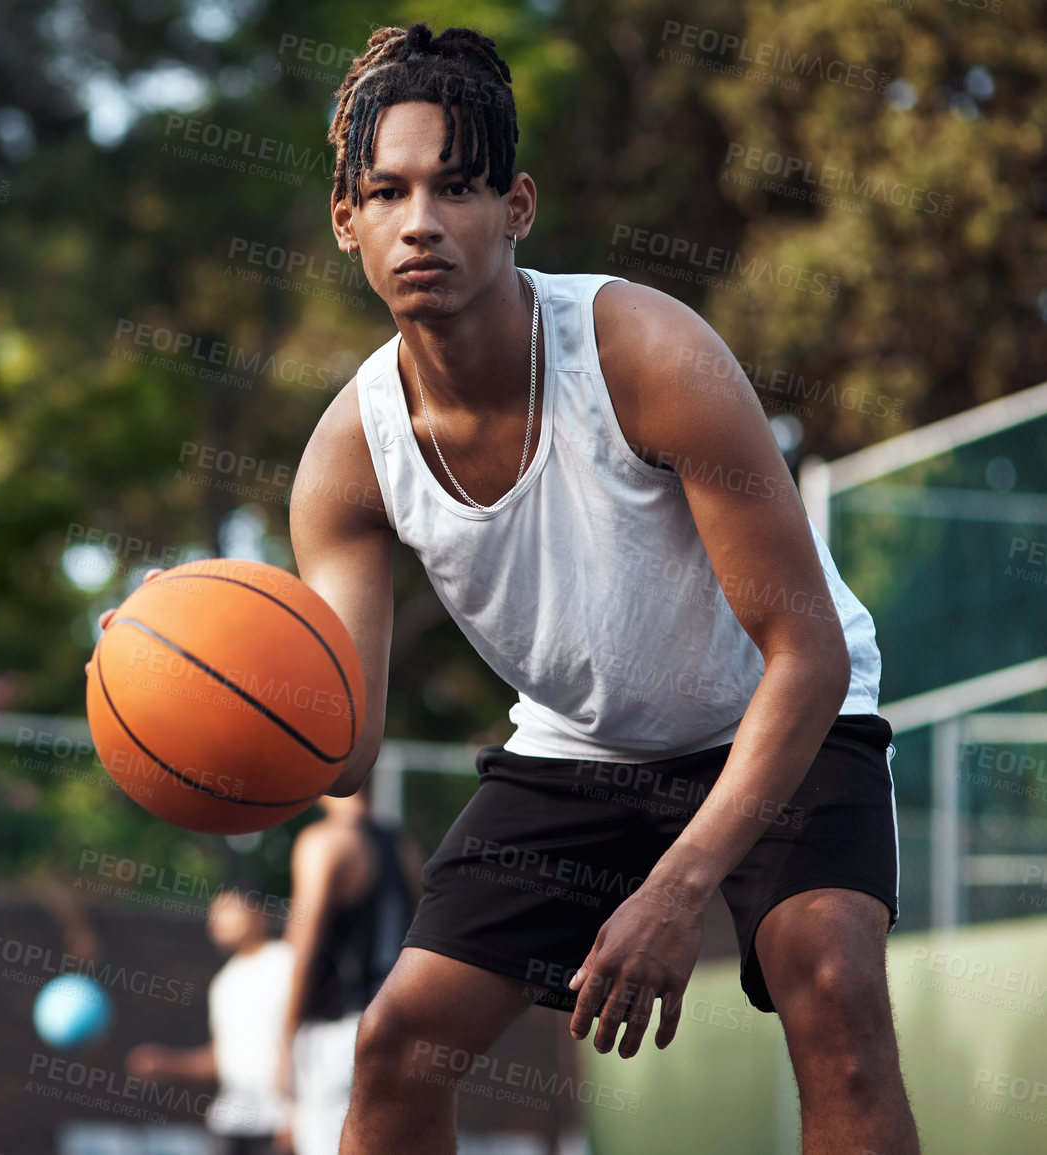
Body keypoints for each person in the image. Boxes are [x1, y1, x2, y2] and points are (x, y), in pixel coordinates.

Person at [273, 20, 917, 1155]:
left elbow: (804, 655)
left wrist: (673, 892)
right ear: (348, 222)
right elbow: (348, 753)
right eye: (388, 192)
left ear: (516, 208)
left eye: (458, 187)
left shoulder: (645, 356)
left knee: (837, 1001)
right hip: (583, 744)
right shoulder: (348, 458)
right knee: (394, 1050)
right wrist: (214, 677)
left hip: (778, 709)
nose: (422, 221)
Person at [279, 791, 418, 1155]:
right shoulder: (403, 847)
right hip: (395, 1028)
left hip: (337, 1035)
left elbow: (302, 949)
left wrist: (284, 1042)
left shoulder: (324, 840)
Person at [125, 888, 294, 1155]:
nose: (216, 919)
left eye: (228, 909)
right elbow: (219, 1060)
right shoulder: (223, 983)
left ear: (259, 912)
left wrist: (295, 1113)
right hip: (229, 1126)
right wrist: (167, 1063)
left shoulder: (290, 963)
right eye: (214, 912)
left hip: (280, 1124)